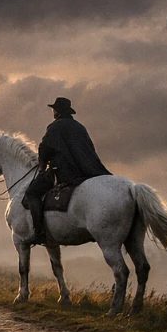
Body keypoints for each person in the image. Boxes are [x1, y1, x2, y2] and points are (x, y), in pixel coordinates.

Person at [22, 97, 112, 246]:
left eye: (53, 109)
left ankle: (39, 233)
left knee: (32, 192)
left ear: (56, 111)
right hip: (87, 170)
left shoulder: (55, 127)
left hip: (64, 172)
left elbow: (44, 149)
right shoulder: (80, 127)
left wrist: (42, 166)